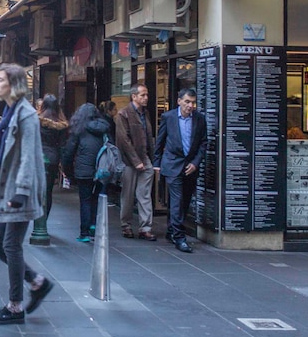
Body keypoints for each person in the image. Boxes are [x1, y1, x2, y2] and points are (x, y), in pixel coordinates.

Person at [0, 63, 53, 325]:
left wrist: (21, 193)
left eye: (0, 80)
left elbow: (29, 157)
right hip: (6, 189)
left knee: (10, 245)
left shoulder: (25, 115)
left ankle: (15, 306)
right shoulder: (10, 112)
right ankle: (37, 282)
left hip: (18, 191)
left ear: (13, 84)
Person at [154, 88, 206, 253]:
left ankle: (171, 230)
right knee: (177, 200)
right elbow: (160, 141)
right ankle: (179, 237)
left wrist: (196, 163)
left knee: (184, 200)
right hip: (172, 164)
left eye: (193, 102)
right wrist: (157, 163)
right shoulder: (168, 117)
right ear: (179, 101)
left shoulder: (199, 119)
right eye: (187, 102)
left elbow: (204, 143)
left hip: (190, 166)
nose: (190, 106)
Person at [63, 103, 110, 242]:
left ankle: (84, 232)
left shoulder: (78, 129)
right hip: (102, 169)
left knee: (85, 200)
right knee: (96, 198)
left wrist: (68, 171)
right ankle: (94, 226)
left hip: (83, 170)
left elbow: (69, 152)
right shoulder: (104, 128)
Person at [115, 84, 156, 241]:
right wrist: (135, 161)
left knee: (144, 194)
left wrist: (152, 159)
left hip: (144, 158)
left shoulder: (145, 114)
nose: (146, 98)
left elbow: (149, 137)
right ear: (134, 96)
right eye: (143, 95)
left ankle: (145, 227)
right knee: (128, 194)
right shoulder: (123, 114)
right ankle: (126, 225)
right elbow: (123, 140)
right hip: (129, 161)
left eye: (146, 95)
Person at [38, 94, 68, 217]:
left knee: (38, 190)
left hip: (38, 157)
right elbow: (62, 146)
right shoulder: (61, 125)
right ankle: (44, 220)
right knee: (48, 191)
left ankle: (38, 221)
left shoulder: (37, 121)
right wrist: (63, 164)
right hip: (53, 158)